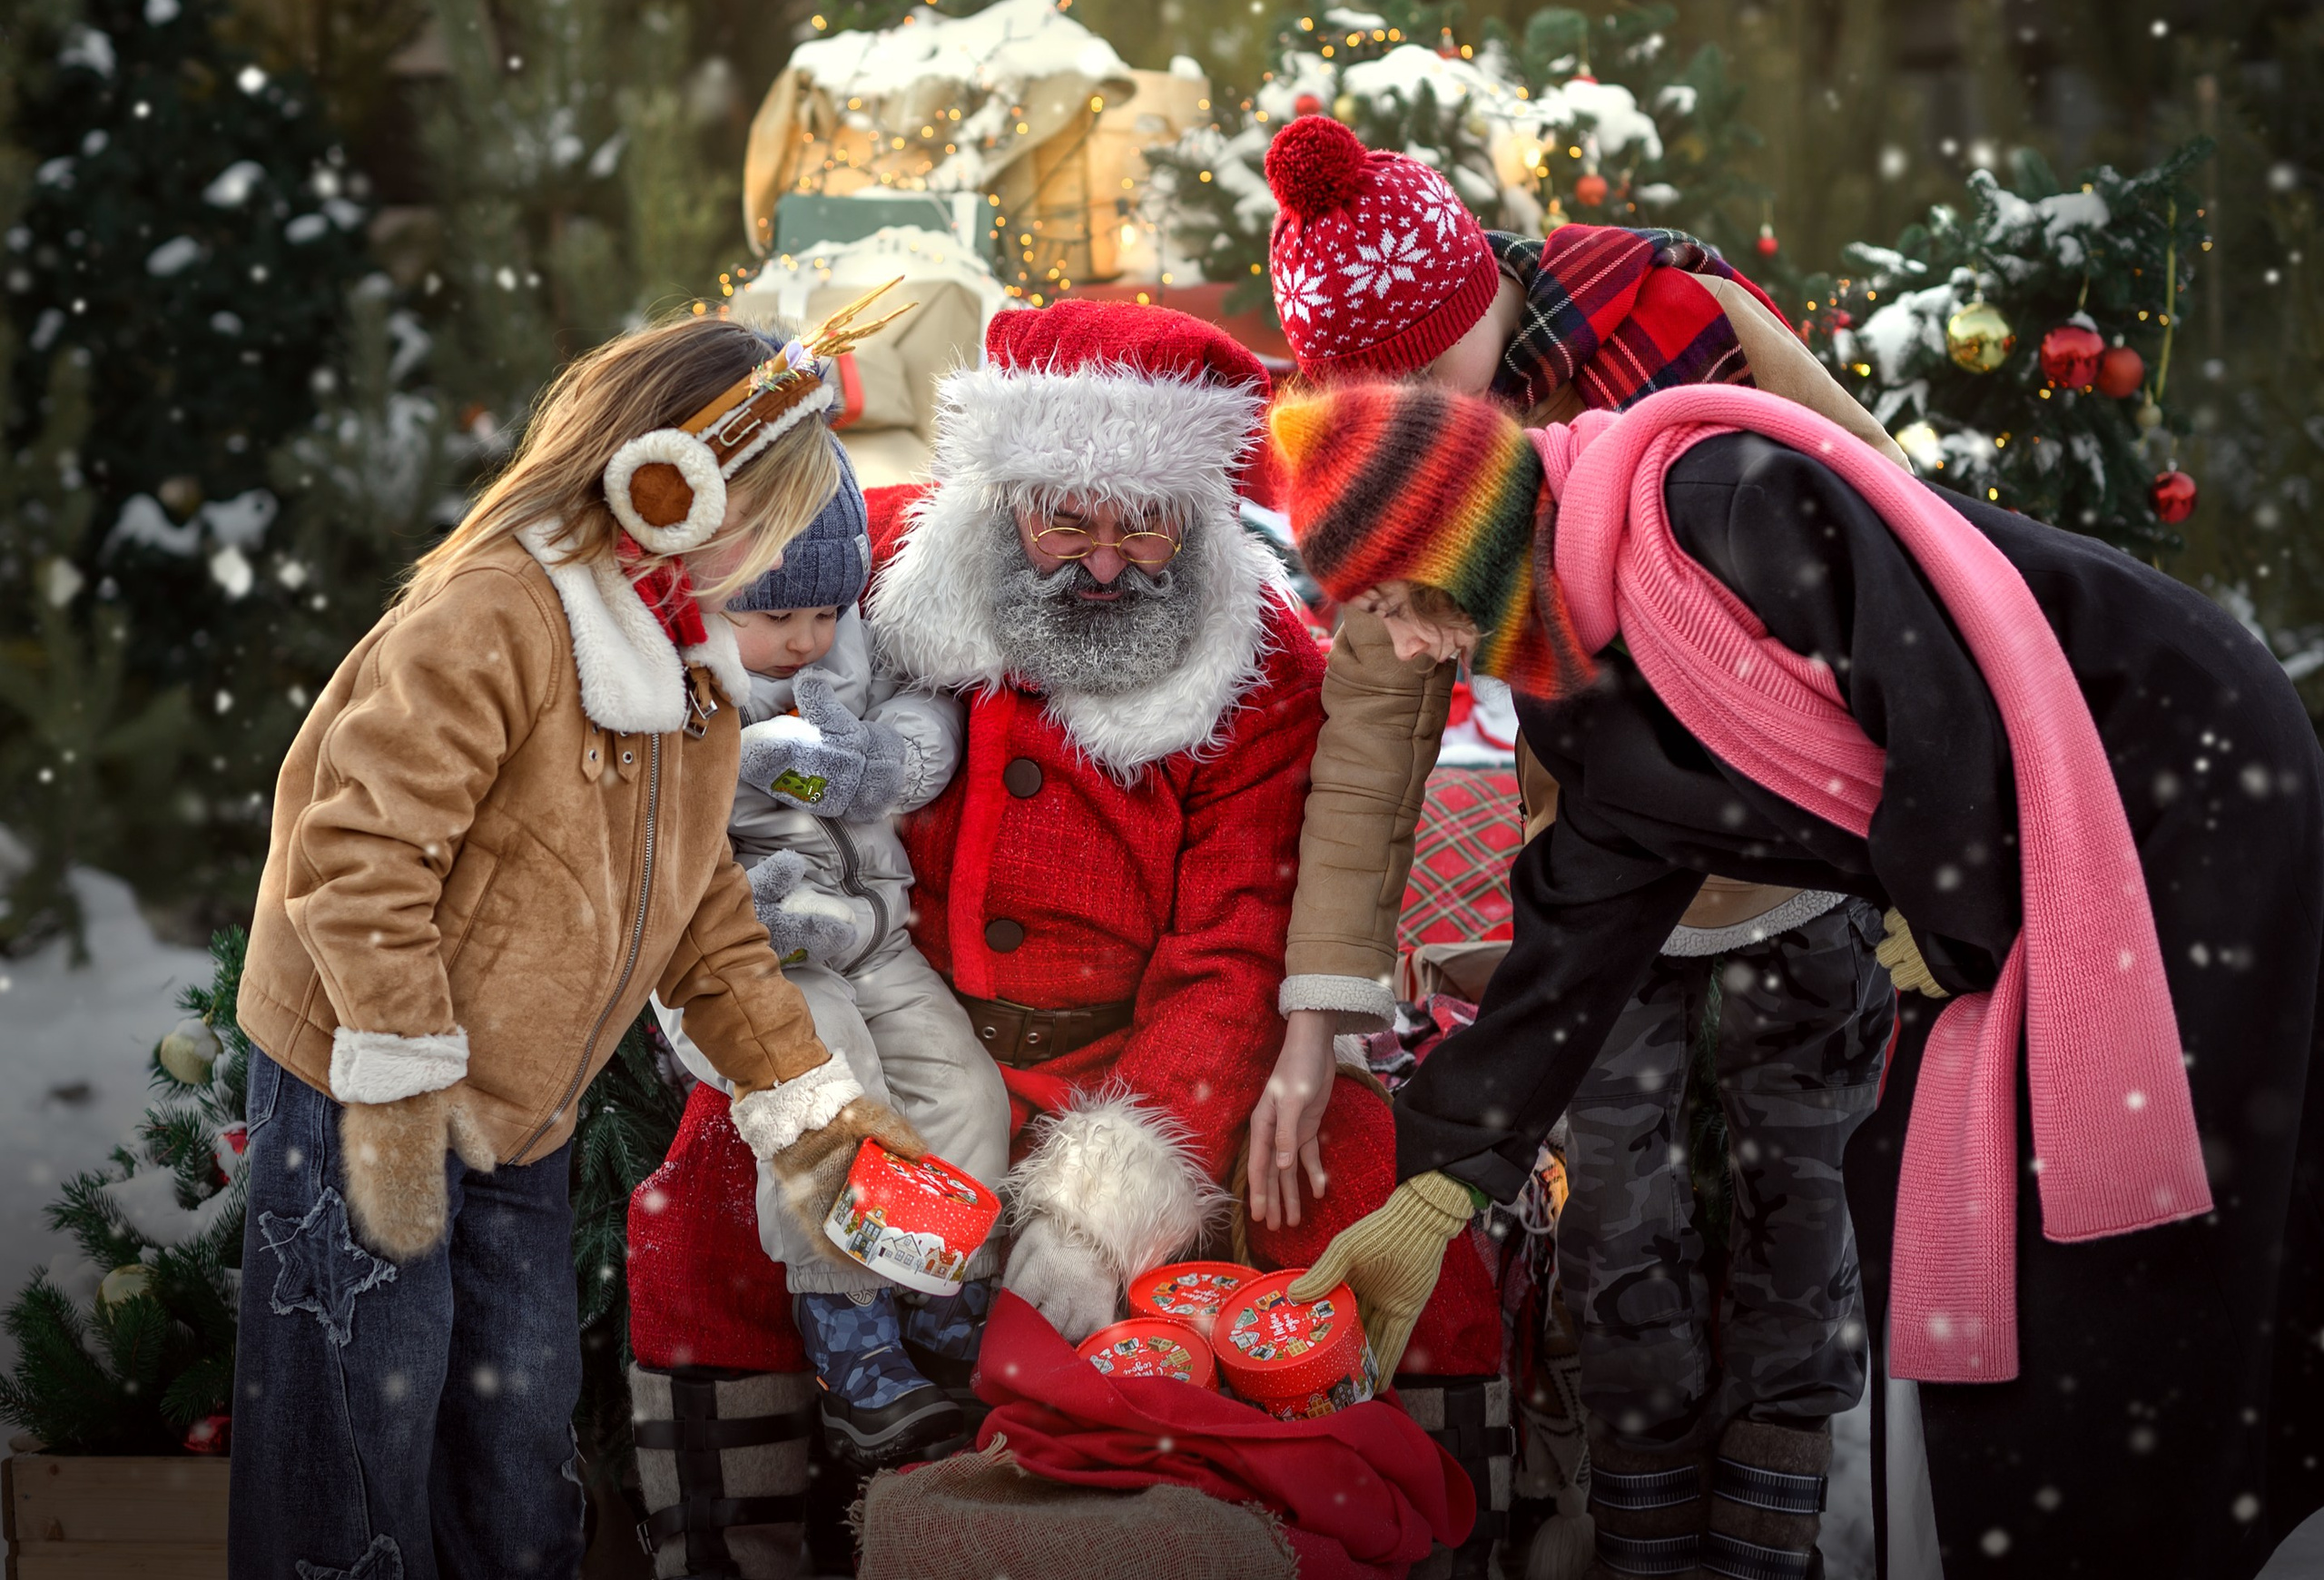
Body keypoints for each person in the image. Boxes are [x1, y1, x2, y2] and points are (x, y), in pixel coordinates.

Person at [1266, 376, 2324, 1580]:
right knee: (1996, 1224)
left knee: (2127, 1229)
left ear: (1460, 544)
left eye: (1397, 604)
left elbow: (1931, 688)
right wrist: (1441, 1183)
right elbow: (1571, 946)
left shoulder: (1722, 498)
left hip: (2169, 770)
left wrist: (1950, 907)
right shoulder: (1587, 701)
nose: (1409, 646)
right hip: (2023, 852)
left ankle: (2160, 1524)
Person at [627, 301, 1513, 1573]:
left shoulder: (1261, 666)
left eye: (1142, 526)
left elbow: (1236, 951)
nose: (1102, 565)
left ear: (1195, 513)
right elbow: (688, 595)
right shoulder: (878, 564)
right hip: (899, 1014)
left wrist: (1102, 1208)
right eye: (1065, 522)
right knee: (716, 1172)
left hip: (1141, 1069)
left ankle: (1440, 1537)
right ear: (1002, 498)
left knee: (1357, 1176)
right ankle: (732, 1547)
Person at [1253, 110, 1903, 1572]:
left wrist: (1926, 859)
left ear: (1475, 298)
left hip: (1808, 862)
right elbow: (1372, 727)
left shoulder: (1679, 323)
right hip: (1606, 894)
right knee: (1616, 1219)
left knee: (1798, 1211)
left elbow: (1887, 525)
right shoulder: (1393, 453)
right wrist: (1317, 1010)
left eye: (1431, 380)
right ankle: (1640, 1528)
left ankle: (1774, 1533)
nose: (1419, 415)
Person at [228, 311, 925, 1580]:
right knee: (360, 1440)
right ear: (665, 486)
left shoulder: (692, 675)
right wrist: (400, 1078)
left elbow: (704, 909)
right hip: (367, 1086)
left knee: (515, 1435)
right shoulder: (495, 616)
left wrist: (809, 1106)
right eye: (763, 527)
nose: (783, 577)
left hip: (523, 1107)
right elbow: (359, 854)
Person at [659, 452, 1008, 1466]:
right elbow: (662, 840)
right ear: (708, 590)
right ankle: (849, 1336)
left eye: (825, 611)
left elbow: (925, 709)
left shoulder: (854, 639)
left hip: (873, 934)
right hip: (745, 966)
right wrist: (753, 790)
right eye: (774, 615)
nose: (806, 638)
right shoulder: (676, 684)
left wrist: (880, 759)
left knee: (963, 1086)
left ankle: (941, 1293)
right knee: (830, 1072)